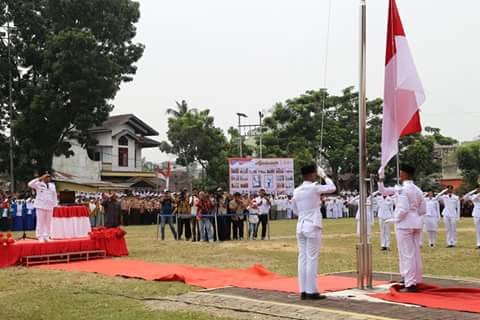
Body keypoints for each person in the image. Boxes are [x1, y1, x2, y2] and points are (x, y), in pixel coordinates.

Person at [378, 164, 426, 292]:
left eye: (400, 173)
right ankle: (413, 278)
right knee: (415, 253)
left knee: (406, 253)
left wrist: (396, 219)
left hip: (404, 223)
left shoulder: (403, 189)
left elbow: (403, 208)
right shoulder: (417, 189)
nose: (399, 175)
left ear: (405, 174)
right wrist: (381, 179)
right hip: (416, 222)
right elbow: (422, 210)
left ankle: (410, 283)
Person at [292, 164, 336, 300]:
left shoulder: (297, 190)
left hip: (300, 225)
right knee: (311, 258)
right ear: (312, 174)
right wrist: (325, 176)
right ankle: (311, 291)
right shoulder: (314, 187)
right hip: (312, 225)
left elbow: (295, 210)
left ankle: (303, 291)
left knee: (302, 258)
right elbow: (332, 188)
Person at [28, 173, 58, 242]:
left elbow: (54, 195)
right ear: (43, 178)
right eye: (46, 177)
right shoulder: (38, 184)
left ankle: (47, 236)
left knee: (48, 222)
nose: (48, 178)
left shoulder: (52, 185)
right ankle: (40, 236)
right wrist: (39, 178)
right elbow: (30, 184)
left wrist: (55, 205)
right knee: (40, 222)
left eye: (49, 177)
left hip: (50, 206)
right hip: (40, 205)